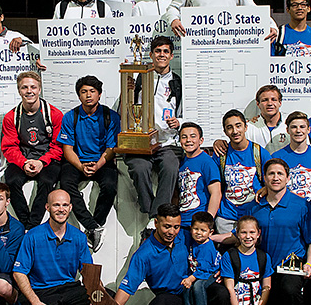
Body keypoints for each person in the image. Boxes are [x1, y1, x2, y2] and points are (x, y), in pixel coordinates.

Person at [247, 159, 311, 305]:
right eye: (271, 174)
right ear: (264, 178)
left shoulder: (301, 205)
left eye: (280, 174)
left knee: (290, 288)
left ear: (288, 178)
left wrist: (310, 264)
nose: (275, 177)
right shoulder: (255, 207)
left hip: (291, 263)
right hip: (264, 267)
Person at [12, 190, 95, 305]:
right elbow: (19, 272)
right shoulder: (33, 236)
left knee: (105, 299)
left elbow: (88, 272)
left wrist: (99, 293)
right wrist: (35, 302)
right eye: (56, 205)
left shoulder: (79, 237)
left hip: (70, 288)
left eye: (65, 205)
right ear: (47, 207)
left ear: (70, 208)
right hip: (43, 291)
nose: (61, 209)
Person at [114, 204, 199, 305]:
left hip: (195, 292)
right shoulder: (143, 254)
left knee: (219, 293)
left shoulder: (187, 236)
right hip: (172, 298)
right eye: (167, 226)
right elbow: (127, 287)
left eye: (176, 227)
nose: (172, 232)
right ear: (156, 223)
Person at [57, 76, 121, 251]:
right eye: (84, 92)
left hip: (103, 161)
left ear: (99, 95)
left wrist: (97, 165)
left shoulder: (111, 116)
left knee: (110, 185)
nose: (88, 95)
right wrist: (81, 166)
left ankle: (97, 224)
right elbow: (67, 149)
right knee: (66, 184)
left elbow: (111, 148)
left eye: (92, 91)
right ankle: (91, 225)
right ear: (79, 96)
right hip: (77, 161)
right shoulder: (71, 116)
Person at [125, 36, 183, 219]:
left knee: (171, 166)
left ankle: (154, 217)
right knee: (138, 168)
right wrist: (128, 91)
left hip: (167, 142)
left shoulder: (178, 82)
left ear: (172, 55)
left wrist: (179, 122)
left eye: (166, 51)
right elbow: (126, 109)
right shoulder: (139, 78)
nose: (161, 55)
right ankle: (154, 214)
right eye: (158, 51)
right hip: (142, 143)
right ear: (151, 54)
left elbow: (185, 111)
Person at [1, 72, 64, 229]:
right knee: (11, 180)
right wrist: (23, 163)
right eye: (24, 87)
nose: (29, 91)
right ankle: (24, 224)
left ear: (39, 89)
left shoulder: (54, 114)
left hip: (47, 159)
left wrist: (42, 162)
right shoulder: (11, 117)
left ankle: (33, 224)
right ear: (19, 91)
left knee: (48, 181)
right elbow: (9, 147)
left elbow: (58, 146)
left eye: (33, 87)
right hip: (23, 159)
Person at [214, 109, 272, 234]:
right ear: (225, 131)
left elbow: (272, 180)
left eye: (238, 126)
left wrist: (266, 188)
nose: (235, 131)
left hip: (253, 213)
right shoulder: (221, 154)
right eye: (229, 128)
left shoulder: (259, 152)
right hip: (227, 216)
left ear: (246, 127)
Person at [219, 216, 273, 305]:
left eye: (252, 232)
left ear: (258, 233)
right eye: (243, 232)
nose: (248, 236)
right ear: (237, 233)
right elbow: (230, 288)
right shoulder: (230, 256)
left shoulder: (264, 257)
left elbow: (267, 286)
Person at [178, 212, 221, 305]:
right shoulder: (195, 243)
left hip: (209, 273)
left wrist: (191, 278)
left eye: (203, 230)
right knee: (187, 284)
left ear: (210, 232)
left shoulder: (207, 248)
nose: (198, 232)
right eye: (196, 229)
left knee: (197, 285)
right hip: (199, 271)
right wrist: (189, 279)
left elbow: (204, 269)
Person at [273, 111, 311, 201]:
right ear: (287, 130)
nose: (298, 130)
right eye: (294, 127)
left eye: (302, 127)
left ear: (308, 130)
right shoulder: (277, 157)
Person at [177, 122, 221, 228]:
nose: (188, 140)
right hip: (182, 222)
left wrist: (207, 222)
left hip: (199, 223)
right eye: (184, 137)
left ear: (201, 140)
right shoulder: (180, 162)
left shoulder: (207, 162)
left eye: (193, 136)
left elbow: (216, 193)